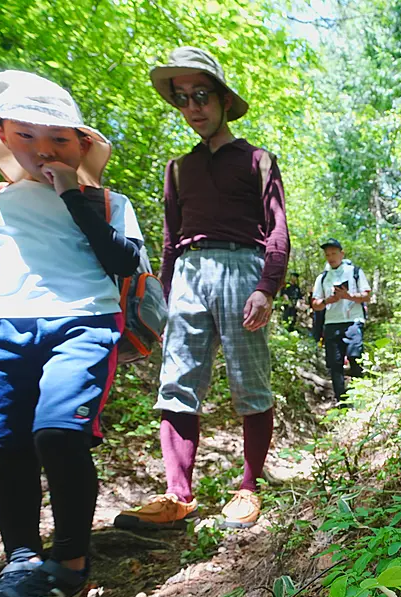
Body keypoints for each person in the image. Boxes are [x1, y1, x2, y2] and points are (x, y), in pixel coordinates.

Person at [0, 71, 143, 597]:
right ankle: (21, 561)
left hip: (84, 319)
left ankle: (68, 568)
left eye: (59, 140)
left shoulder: (108, 202)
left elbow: (123, 262)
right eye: (27, 136)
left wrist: (71, 193)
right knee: (9, 444)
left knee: (59, 431)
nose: (43, 150)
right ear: (3, 135)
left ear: (82, 145)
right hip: (0, 324)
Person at [114, 47, 290, 531]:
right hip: (188, 274)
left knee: (250, 382)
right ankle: (177, 495)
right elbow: (171, 239)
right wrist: (164, 295)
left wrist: (267, 286)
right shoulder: (177, 168)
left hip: (242, 269)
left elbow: (277, 229)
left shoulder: (257, 160)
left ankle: (248, 488)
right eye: (182, 98)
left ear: (223, 99)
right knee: (176, 383)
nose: (192, 107)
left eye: (201, 95)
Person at [311, 239, 371, 401]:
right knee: (335, 364)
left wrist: (347, 296)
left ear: (342, 254)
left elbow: (367, 295)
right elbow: (315, 304)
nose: (330, 257)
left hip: (353, 321)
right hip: (331, 324)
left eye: (334, 253)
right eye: (327, 255)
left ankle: (358, 398)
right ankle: (341, 402)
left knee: (355, 357)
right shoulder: (322, 278)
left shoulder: (355, 272)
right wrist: (328, 301)